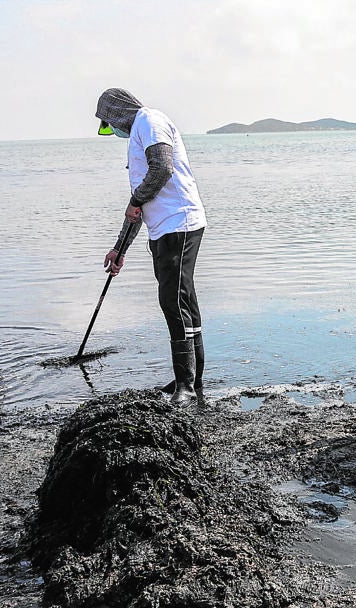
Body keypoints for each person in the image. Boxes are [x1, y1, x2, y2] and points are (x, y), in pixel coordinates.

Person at [95, 88, 207, 406]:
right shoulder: (138, 135)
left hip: (179, 223)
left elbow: (162, 168)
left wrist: (136, 199)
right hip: (165, 228)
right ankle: (191, 379)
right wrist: (120, 249)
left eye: (108, 123)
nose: (111, 130)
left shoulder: (149, 120)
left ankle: (185, 385)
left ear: (117, 113)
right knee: (182, 299)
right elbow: (138, 208)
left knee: (172, 300)